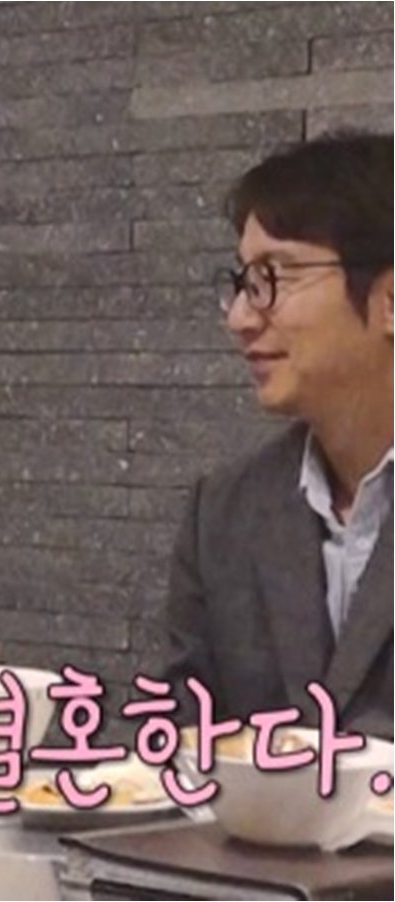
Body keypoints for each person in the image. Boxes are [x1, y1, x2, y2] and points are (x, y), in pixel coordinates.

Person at [163, 132, 393, 740]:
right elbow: (179, 738)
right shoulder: (224, 511)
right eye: (242, 282)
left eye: (274, 277)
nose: (240, 317)